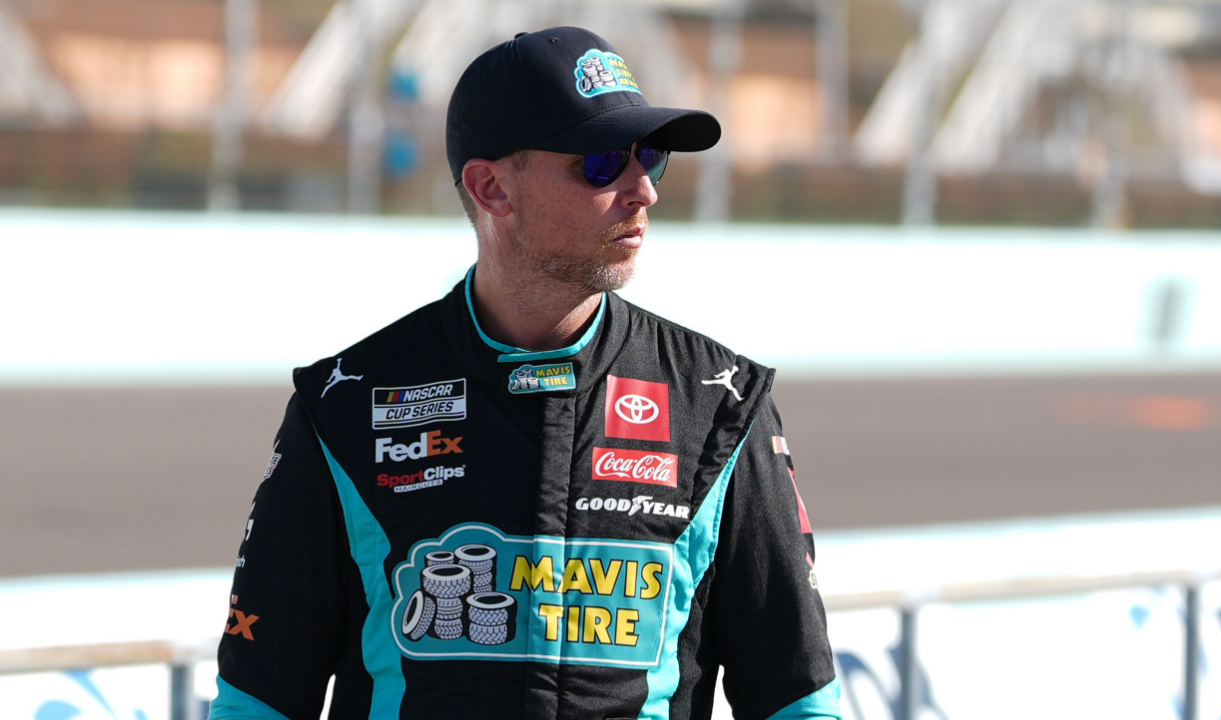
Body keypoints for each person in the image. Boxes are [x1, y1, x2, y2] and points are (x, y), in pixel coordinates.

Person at [211, 26, 840, 720]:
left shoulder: (719, 403)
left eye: (650, 157)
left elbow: (798, 700)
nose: (641, 191)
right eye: (601, 162)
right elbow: (258, 699)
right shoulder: (348, 405)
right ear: (492, 189)